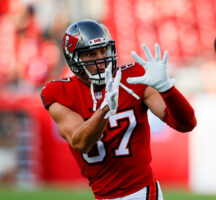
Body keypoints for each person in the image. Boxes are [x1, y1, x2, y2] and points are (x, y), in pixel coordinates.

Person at [40, 19, 196, 200]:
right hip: (102, 196)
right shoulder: (60, 92)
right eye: (90, 54)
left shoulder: (133, 78)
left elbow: (186, 124)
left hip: (141, 192)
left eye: (103, 50)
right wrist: (106, 108)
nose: (100, 59)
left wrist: (167, 88)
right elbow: (80, 143)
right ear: (74, 59)